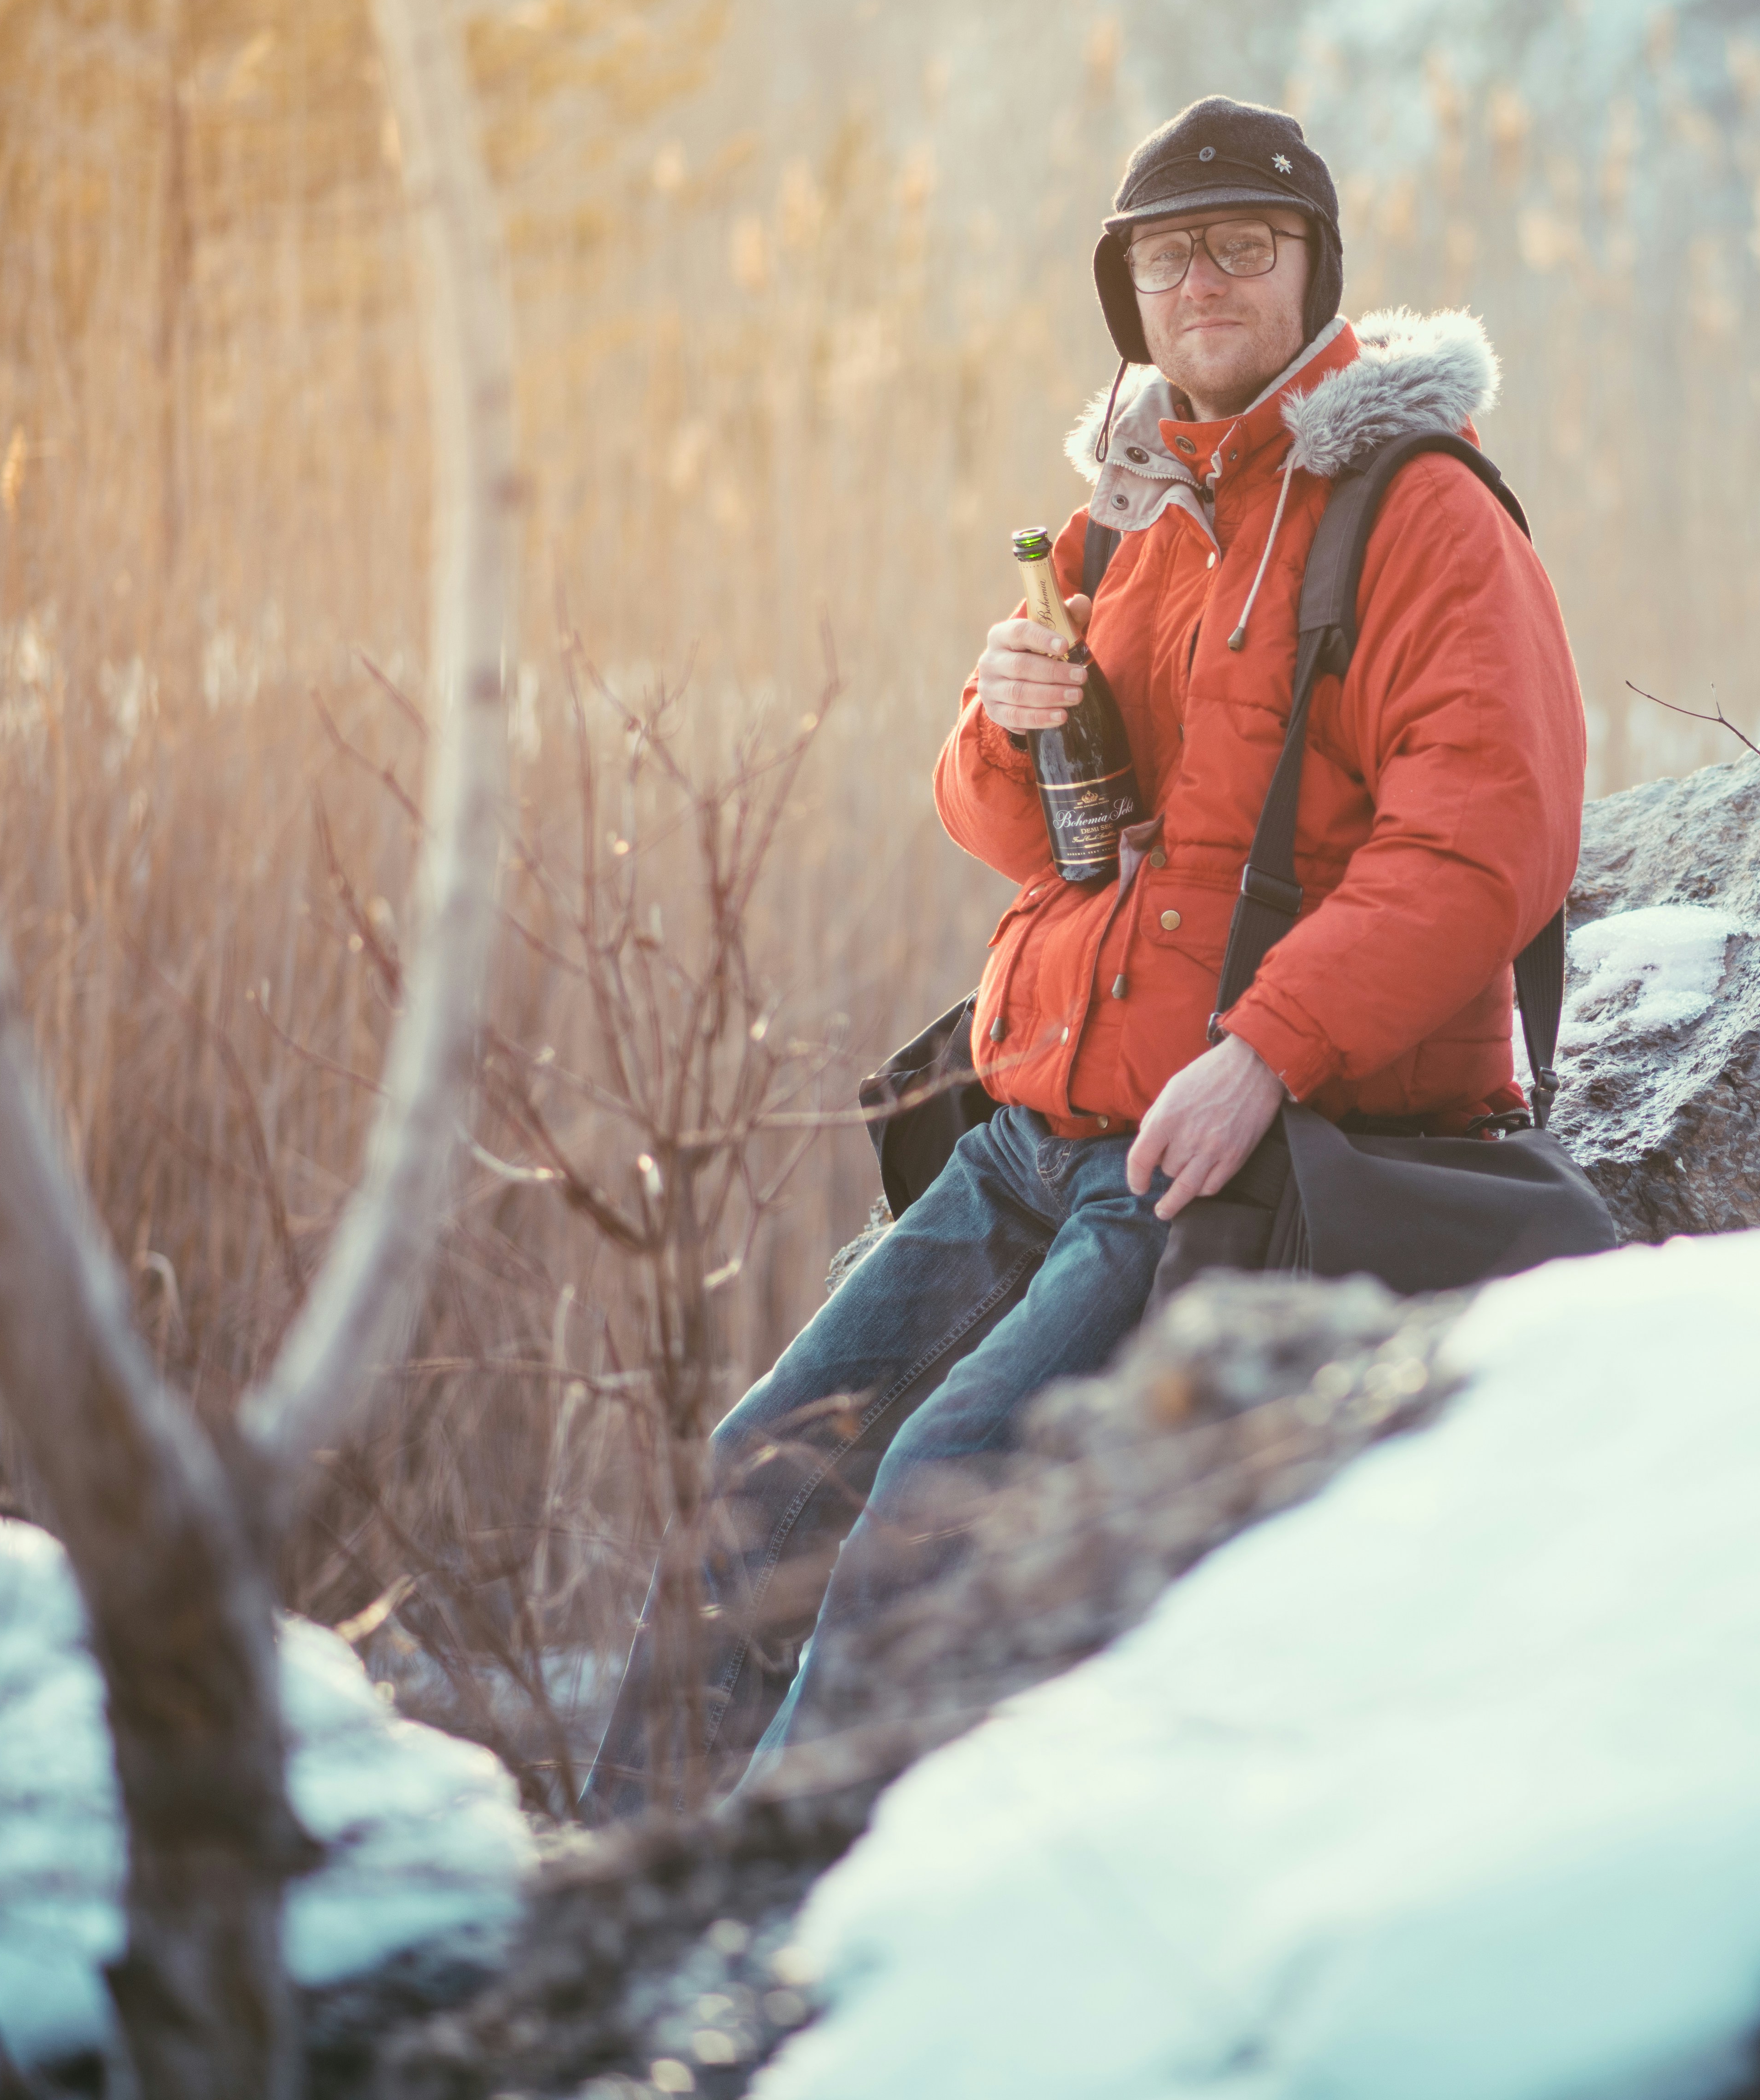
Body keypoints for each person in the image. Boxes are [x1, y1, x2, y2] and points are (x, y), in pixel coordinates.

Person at [581, 96, 1586, 1817]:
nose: (1202, 277)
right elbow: (1030, 832)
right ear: (1127, 291)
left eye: (1242, 245)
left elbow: (1484, 840)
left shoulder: (1416, 513)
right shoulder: (1124, 518)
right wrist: (998, 723)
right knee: (761, 1469)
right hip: (1028, 1130)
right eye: (1164, 251)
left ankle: (782, 1950)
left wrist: (1265, 1050)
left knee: (928, 1506)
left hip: (1208, 1161)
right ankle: (611, 1914)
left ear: (1314, 269)